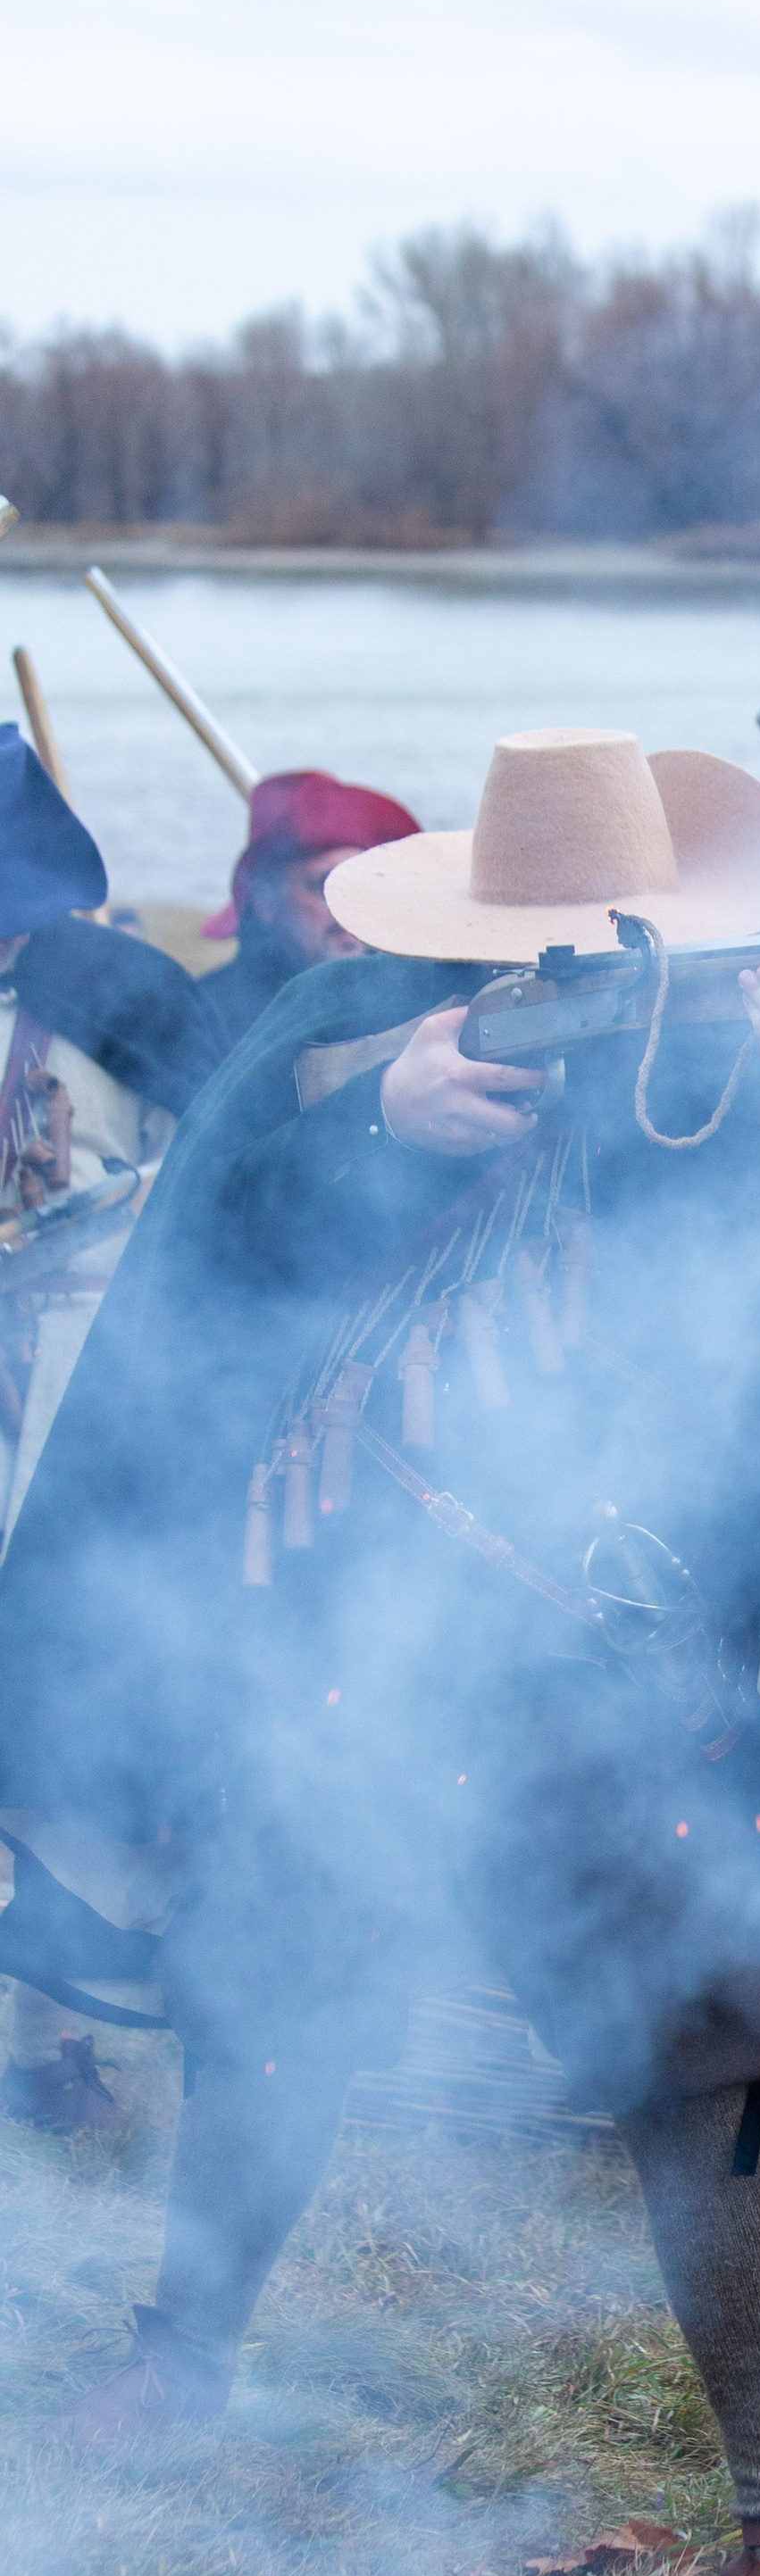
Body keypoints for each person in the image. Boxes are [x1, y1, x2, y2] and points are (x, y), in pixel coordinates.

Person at [0, 727, 760, 2576]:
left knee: (715, 2061)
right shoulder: (361, 1030)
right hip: (345, 1626)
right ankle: (184, 2360)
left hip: (610, 1650)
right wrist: (371, 1118)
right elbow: (224, 1225)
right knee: (265, 1988)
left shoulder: (748, 1052)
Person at [2, 727, 230, 2131]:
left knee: (55, 1704)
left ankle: (46, 2038)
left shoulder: (120, 989)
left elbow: (221, 1171)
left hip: (83, 1391)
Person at [196, 768, 422, 1044]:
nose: (348, 909)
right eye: (325, 886)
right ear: (266, 902)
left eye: (362, 886)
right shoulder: (206, 1018)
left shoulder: (408, 1000)